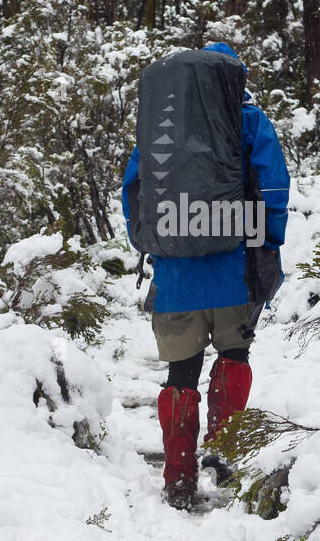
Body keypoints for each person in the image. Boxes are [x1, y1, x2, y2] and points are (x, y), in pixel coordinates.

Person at [122, 41, 290, 508]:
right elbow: (274, 183)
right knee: (234, 351)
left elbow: (133, 189)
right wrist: (266, 242)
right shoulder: (248, 121)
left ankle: (178, 476)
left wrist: (152, 244)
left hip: (175, 275)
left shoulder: (161, 129)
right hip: (234, 265)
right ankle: (224, 446)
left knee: (181, 371)